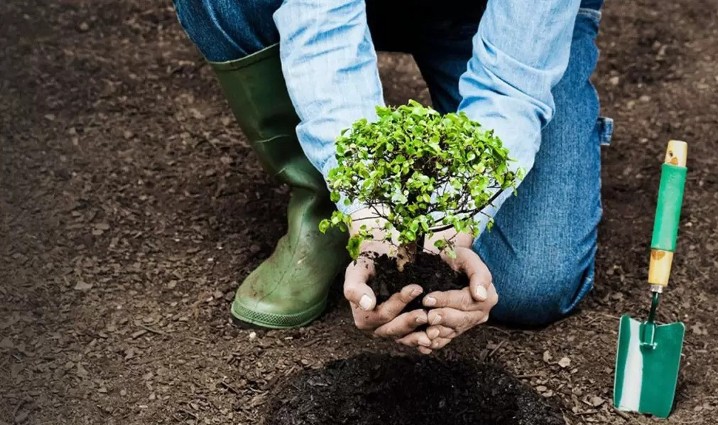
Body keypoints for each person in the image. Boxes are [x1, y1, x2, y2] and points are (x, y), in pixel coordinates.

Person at [172, 0, 611, 353]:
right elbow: (322, 25)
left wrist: (455, 220)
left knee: (529, 284)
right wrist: (368, 209)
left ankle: (434, 173)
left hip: (497, 19)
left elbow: (511, 84)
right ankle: (324, 203)